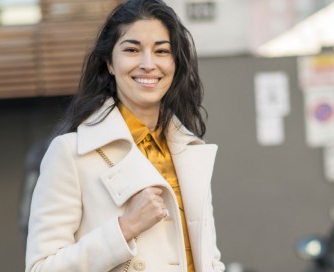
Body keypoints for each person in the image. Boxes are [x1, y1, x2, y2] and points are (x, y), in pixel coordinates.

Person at [25, 0, 224, 271]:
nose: (148, 64)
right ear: (109, 62)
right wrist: (124, 228)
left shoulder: (189, 150)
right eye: (131, 49)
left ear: (175, 62)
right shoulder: (71, 153)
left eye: (161, 51)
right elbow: (41, 267)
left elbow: (209, 259)